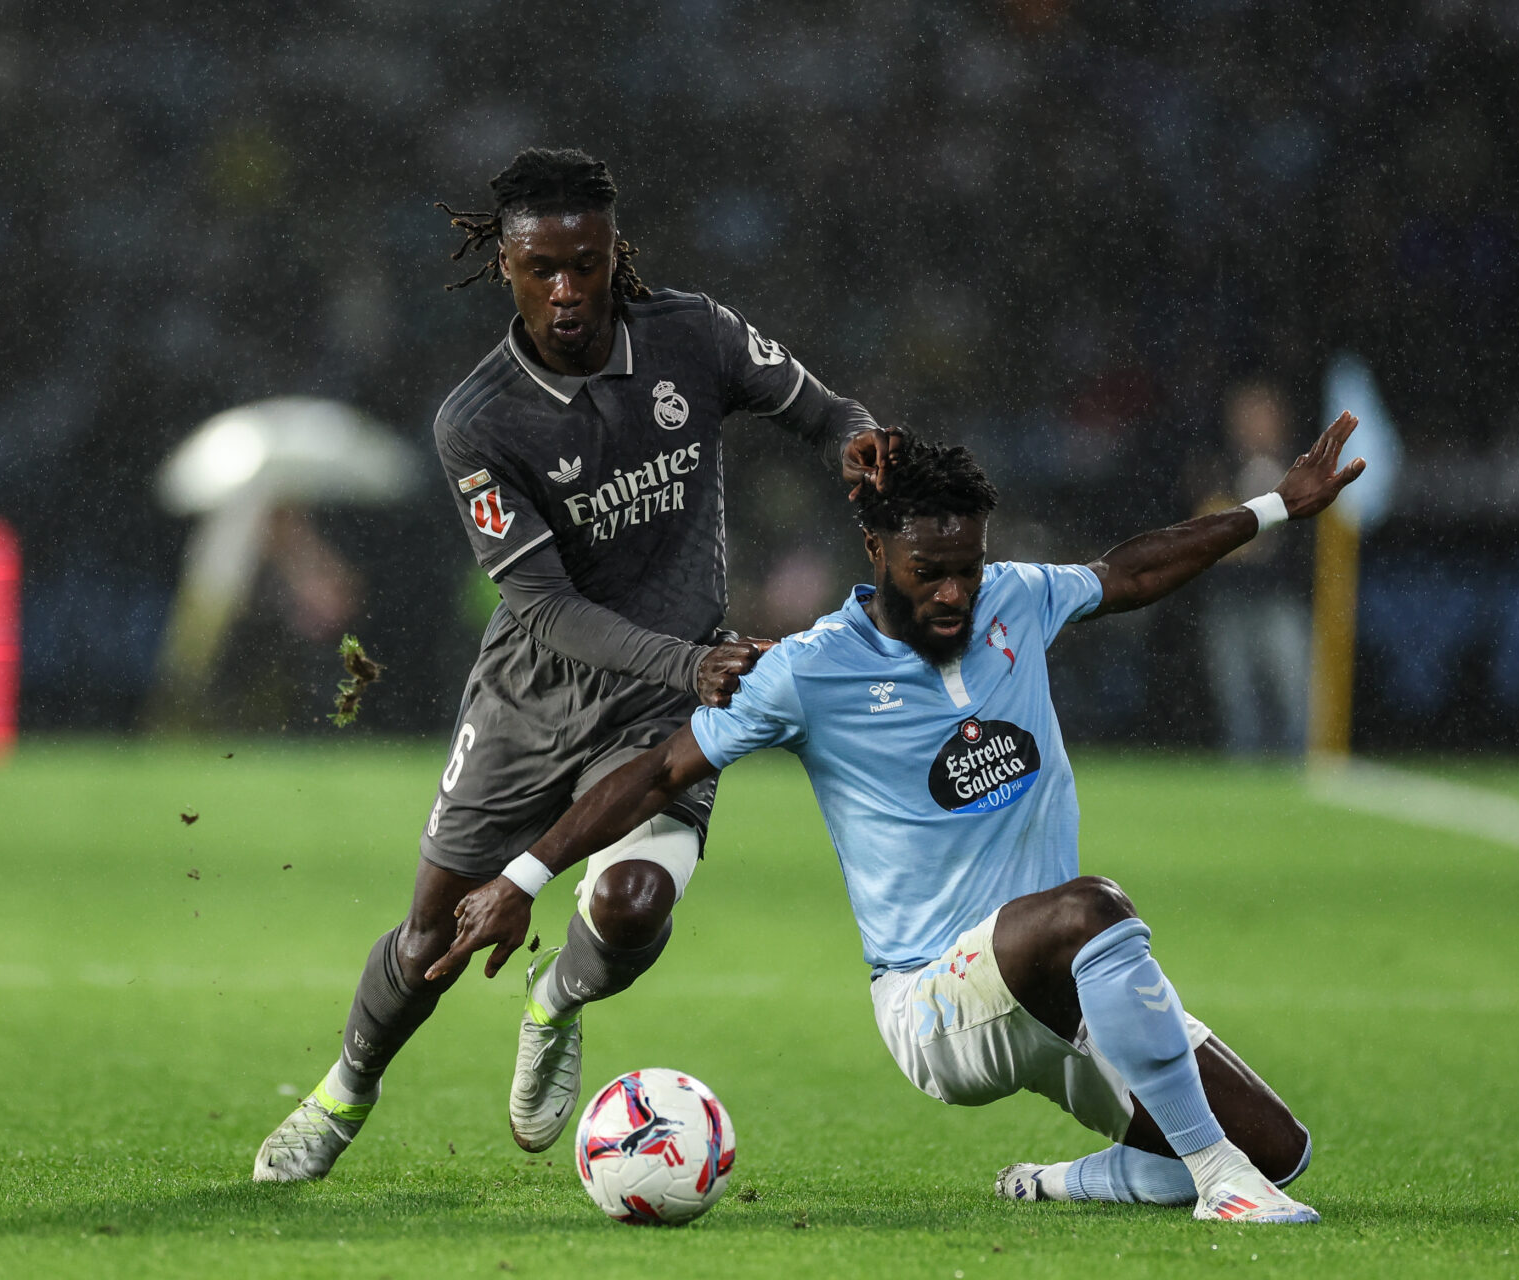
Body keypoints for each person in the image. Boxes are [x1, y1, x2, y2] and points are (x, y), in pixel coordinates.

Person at [428, 417, 1365, 1223]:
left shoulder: (1017, 600)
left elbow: (1131, 572)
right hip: (935, 1003)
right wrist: (524, 877)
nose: (956, 592)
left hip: (1065, 991)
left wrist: (1277, 507)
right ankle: (1218, 1186)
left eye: (969, 568)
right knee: (1093, 909)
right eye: (932, 573)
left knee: (1281, 1148)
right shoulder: (809, 670)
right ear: (877, 552)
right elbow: (658, 771)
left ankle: (1070, 1182)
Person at [254, 148, 900, 1179]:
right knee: (432, 937)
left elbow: (830, 412)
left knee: (635, 905)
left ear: (614, 255)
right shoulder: (477, 418)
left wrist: (862, 446)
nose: (567, 291)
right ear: (503, 267)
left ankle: (555, 1000)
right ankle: (342, 1089)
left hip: (665, 700)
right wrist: (691, 660)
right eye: (541, 269)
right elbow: (545, 603)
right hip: (532, 692)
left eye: (586, 265)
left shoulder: (695, 336)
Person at [1186, 379, 1312, 755]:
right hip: (1230, 599)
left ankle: (1301, 778)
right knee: (1238, 704)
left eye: (1262, 415)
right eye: (1246, 415)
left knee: (1294, 696)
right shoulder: (1216, 466)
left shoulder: (1299, 466)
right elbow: (1205, 531)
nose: (1254, 424)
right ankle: (1245, 792)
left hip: (1279, 598)